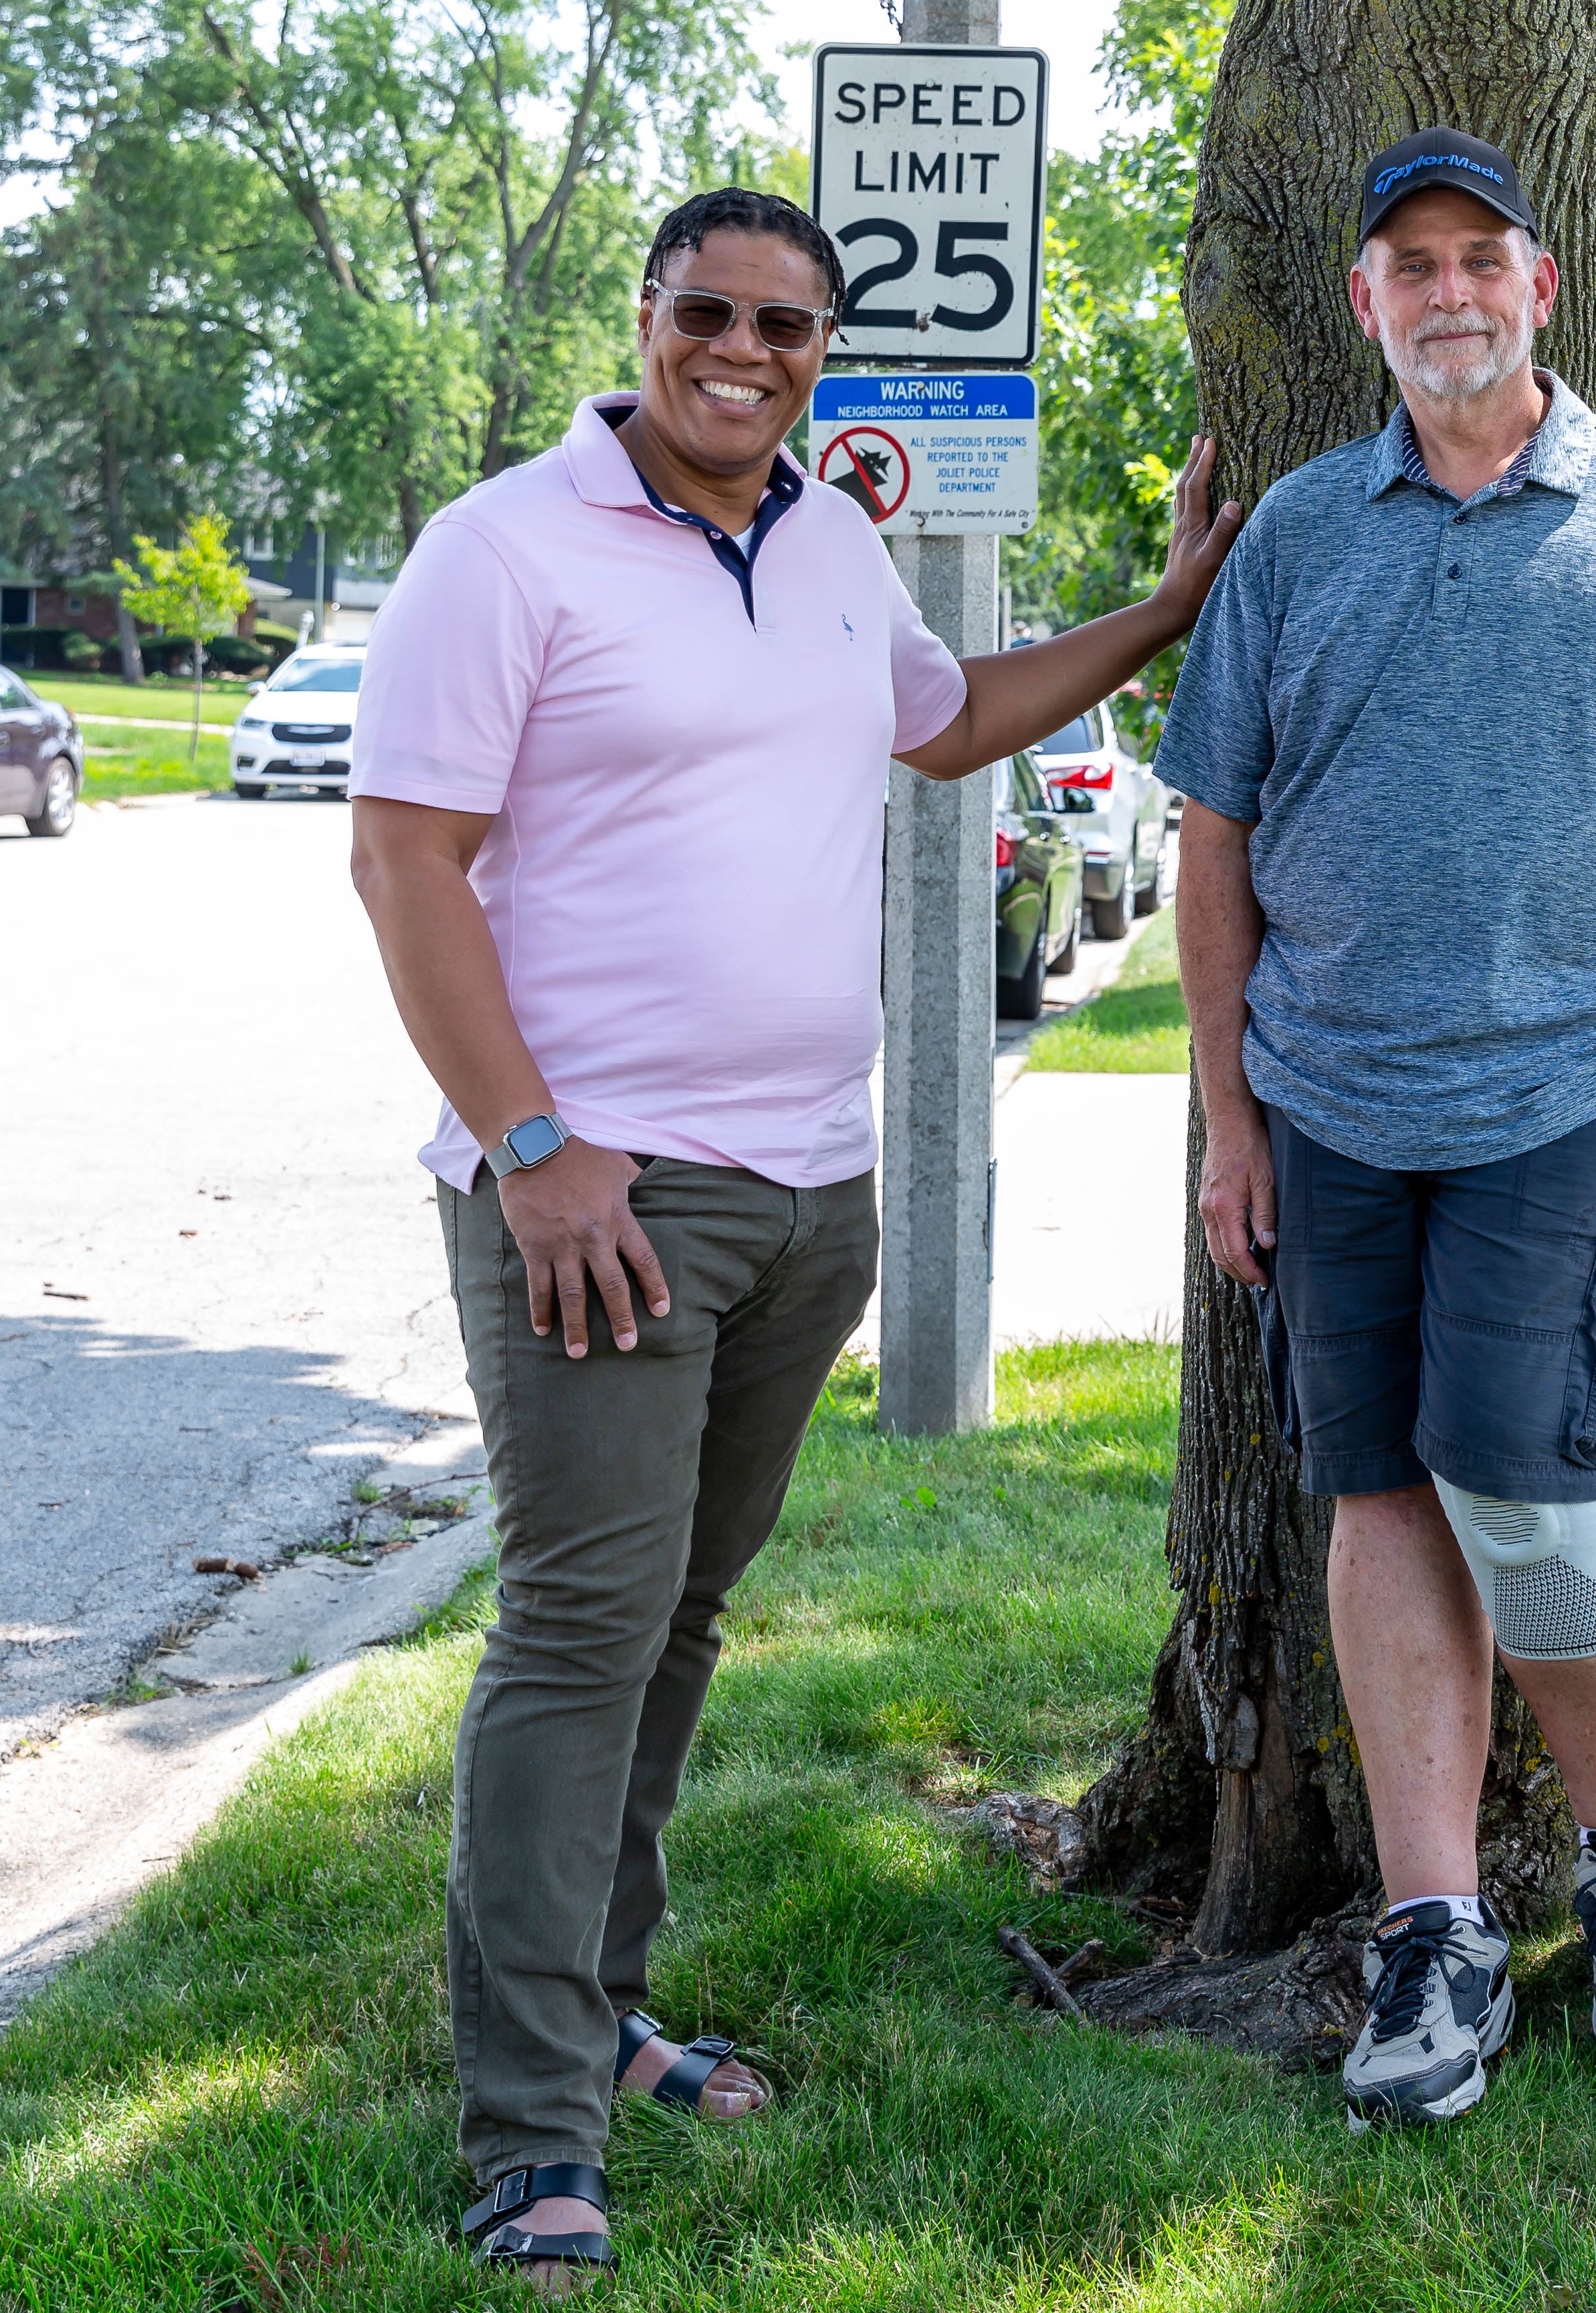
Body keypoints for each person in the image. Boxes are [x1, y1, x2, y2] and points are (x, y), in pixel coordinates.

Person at [346, 187, 1237, 2289]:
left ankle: (604, 2003)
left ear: (826, 352)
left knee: (672, 1621)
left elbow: (943, 718)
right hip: (601, 1201)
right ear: (645, 321)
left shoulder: (831, 540)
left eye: (787, 326)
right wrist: (536, 1146)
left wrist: (1171, 594)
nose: (745, 351)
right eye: (709, 313)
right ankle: (529, 2127)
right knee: (578, 1630)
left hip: (800, 1194)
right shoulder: (507, 546)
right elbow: (405, 863)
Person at [1161, 128, 1596, 2130]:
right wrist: (1227, 1118)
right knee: (1374, 1492)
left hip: (1568, 1091)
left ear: (1540, 287)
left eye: (1480, 258)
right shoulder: (1297, 530)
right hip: (1331, 1100)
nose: (1445, 292)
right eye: (1408, 268)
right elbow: (1215, 834)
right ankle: (1433, 1921)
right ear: (1364, 307)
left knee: (1521, 1487)